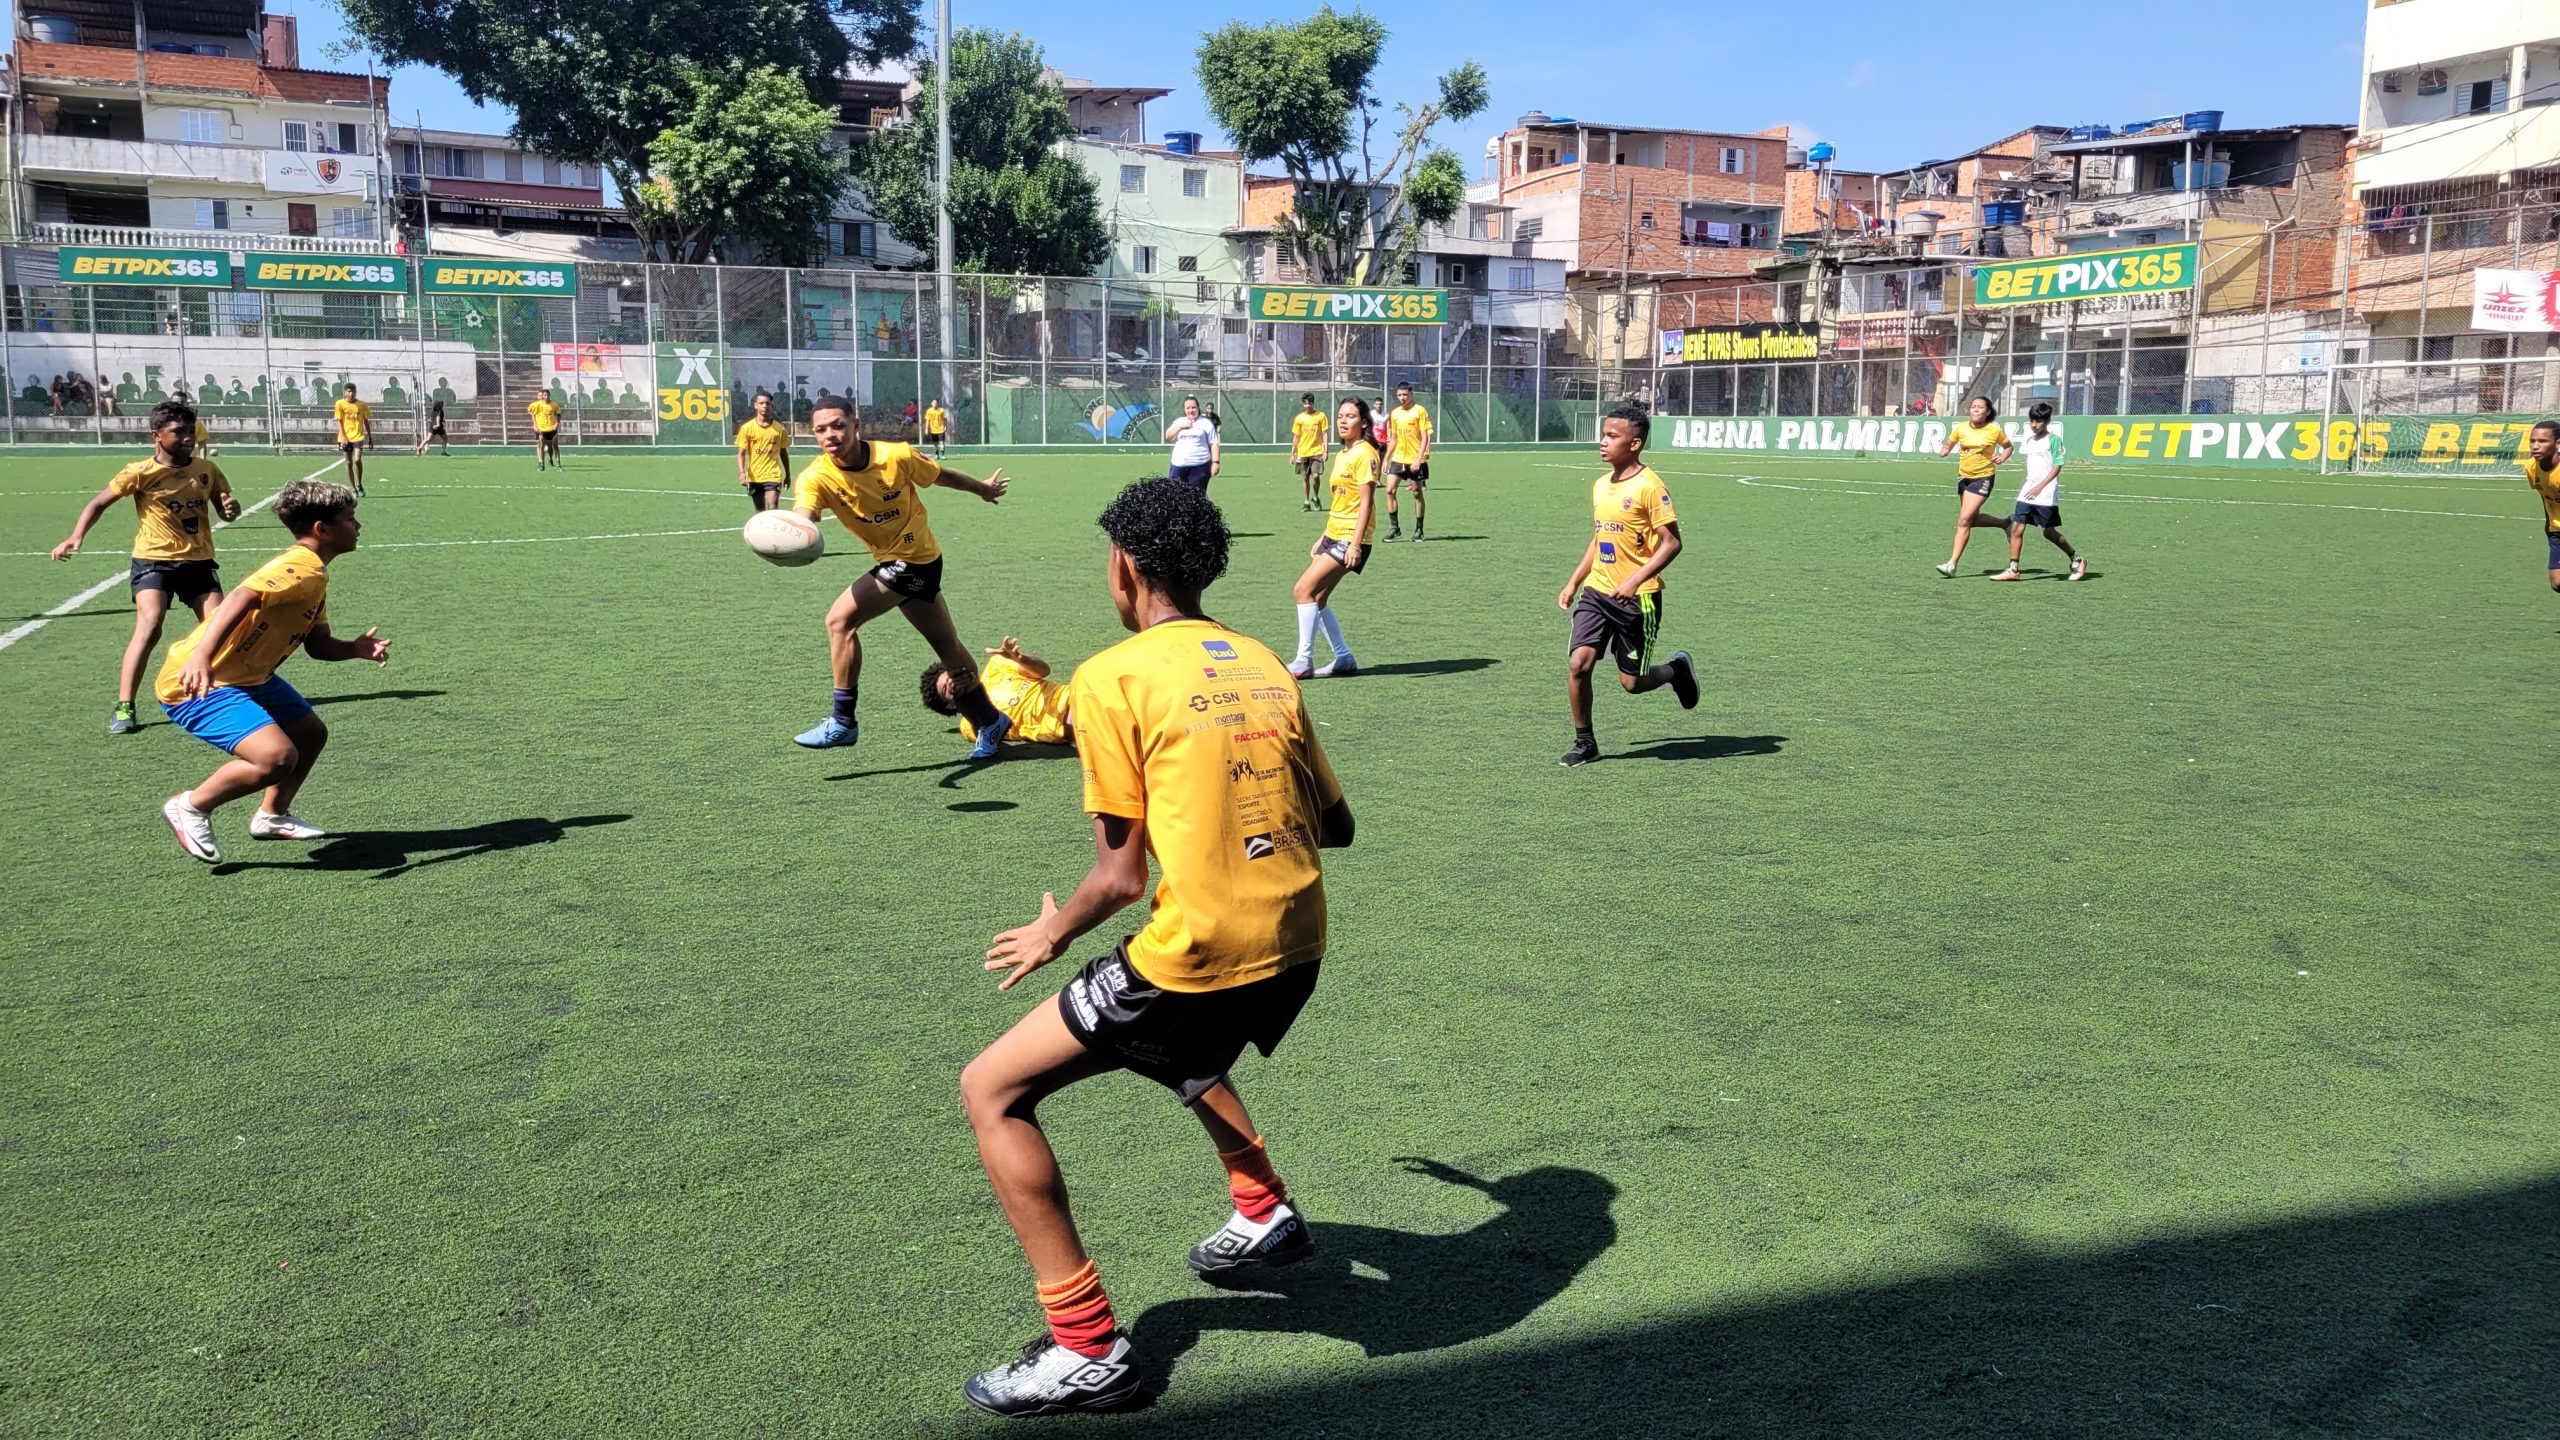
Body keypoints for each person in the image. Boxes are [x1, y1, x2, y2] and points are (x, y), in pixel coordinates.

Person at [959, 478, 1353, 1417]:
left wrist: (1052, 930)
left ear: (1125, 567)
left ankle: (1085, 1348)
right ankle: (1263, 1211)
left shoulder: (1114, 676)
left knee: (993, 1089)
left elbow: (1119, 879)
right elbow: (1336, 828)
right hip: (1299, 938)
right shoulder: (1262, 662)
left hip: (1204, 949)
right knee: (1178, 1040)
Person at [154, 480, 389, 864]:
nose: (357, 525)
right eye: (350, 518)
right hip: (198, 681)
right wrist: (200, 657)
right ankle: (191, 806)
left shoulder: (315, 575)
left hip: (247, 677)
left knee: (309, 735)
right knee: (276, 758)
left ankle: (271, 815)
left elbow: (317, 645)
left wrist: (354, 649)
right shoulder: (301, 568)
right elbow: (241, 597)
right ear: (322, 530)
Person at [787, 394, 1017, 760]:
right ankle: (990, 721)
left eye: (838, 425)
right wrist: (790, 530)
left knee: (839, 621)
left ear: (855, 425)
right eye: (820, 429)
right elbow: (805, 512)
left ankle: (843, 721)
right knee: (949, 650)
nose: (830, 434)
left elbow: (941, 476)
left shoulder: (896, 456)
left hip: (917, 559)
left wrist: (982, 489)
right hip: (896, 561)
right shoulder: (816, 476)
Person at [49, 398, 241, 736]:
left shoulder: (207, 471)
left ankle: (226, 692)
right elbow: (98, 503)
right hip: (154, 560)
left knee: (219, 628)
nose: (188, 439)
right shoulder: (139, 472)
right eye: (178, 432)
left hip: (198, 561)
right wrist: (75, 536)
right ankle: (125, 705)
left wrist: (230, 509)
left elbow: (226, 511)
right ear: (157, 435)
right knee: (150, 624)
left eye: (190, 432)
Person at [1557, 403, 1699, 767]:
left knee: (1632, 684)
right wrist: (1574, 580)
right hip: (1598, 591)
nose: (1602, 442)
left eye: (1611, 436)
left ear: (1634, 444)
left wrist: (1636, 580)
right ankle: (1585, 742)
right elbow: (1600, 537)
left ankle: (1675, 671)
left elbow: (1672, 543)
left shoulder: (1650, 487)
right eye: (1603, 434)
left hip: (1639, 601)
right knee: (1579, 665)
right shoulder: (1601, 485)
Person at [1288, 398, 1380, 679]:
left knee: (1302, 590)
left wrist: (1355, 543)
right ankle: (1344, 658)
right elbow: (1341, 503)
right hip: (1335, 534)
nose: (1343, 421)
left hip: (1351, 539)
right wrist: (1323, 536)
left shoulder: (1365, 453)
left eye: (1350, 416)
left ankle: (1303, 661)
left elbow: (1366, 503)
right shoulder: (1342, 455)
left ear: (1363, 422)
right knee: (1319, 598)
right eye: (1340, 415)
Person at [1991, 402, 2088, 582]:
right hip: (2027, 493)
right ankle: (2013, 569)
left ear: (2047, 421)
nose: (2034, 425)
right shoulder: (2029, 441)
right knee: (2016, 529)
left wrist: (2040, 486)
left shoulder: (2054, 440)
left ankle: (2077, 558)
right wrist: (2030, 486)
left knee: (2048, 532)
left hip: (2045, 495)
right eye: (2032, 421)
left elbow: (2058, 466)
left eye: (2039, 421)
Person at [920, 636, 1073, 749]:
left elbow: (1043, 671)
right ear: (951, 705)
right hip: (1067, 724)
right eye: (947, 688)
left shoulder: (997, 666)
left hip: (1073, 694)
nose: (953, 681)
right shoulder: (968, 724)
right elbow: (983, 732)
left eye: (951, 676)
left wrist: (1021, 658)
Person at [1934, 396, 2013, 577]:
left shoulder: (1994, 430)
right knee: (1973, 520)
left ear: (1987, 411)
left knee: (1963, 521)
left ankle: (1952, 564)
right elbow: (1950, 442)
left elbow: (2008, 447)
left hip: (1983, 477)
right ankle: (2005, 523)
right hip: (1964, 478)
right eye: (1973, 407)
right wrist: (1945, 449)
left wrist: (2001, 458)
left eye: (1980, 407)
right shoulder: (1961, 428)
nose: (1975, 410)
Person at [1382, 381, 1433, 542]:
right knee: (1389, 490)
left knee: (1417, 493)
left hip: (1415, 460)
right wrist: (1385, 460)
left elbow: (1425, 437)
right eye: (1399, 395)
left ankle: (1419, 529)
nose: (1402, 398)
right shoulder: (1395, 413)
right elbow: (1394, 438)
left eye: (1405, 394)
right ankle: (1394, 528)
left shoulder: (1419, 411)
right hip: (1398, 459)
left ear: (1411, 395)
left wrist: (1419, 458)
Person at [735, 392, 792, 512]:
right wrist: (741, 472)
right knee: (760, 511)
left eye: (768, 403)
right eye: (761, 403)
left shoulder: (780, 429)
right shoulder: (747, 428)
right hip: (754, 475)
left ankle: (774, 531)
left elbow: (783, 453)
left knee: (772, 507)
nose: (765, 406)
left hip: (773, 474)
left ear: (771, 406)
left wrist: (788, 475)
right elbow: (741, 453)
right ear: (755, 405)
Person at [2526, 419, 2560, 592]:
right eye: (2533, 441)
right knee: (2557, 583)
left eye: (2543, 441)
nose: (2535, 446)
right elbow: (2545, 495)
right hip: (2556, 530)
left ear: (2557, 443)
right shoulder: (2531, 468)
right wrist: (2548, 523)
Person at [1163, 395, 1219, 491]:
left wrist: (1215, 462)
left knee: (1196, 499)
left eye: (1193, 407)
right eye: (1187, 408)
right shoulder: (1179, 421)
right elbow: (1168, 436)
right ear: (1184, 410)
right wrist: (1181, 426)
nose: (1191, 410)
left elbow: (1214, 444)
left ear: (1198, 408)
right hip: (1178, 466)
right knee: (1175, 496)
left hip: (1199, 467)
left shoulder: (1206, 423)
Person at [1288, 393, 1328, 511]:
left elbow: (1325, 433)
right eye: (1305, 403)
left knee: (1315, 476)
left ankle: (1315, 497)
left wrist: (1326, 450)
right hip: (1303, 452)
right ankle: (1306, 502)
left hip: (1317, 451)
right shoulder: (1299, 418)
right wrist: (1292, 453)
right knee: (1305, 477)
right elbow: (1296, 436)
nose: (1307, 406)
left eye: (1309, 403)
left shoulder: (1321, 416)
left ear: (1313, 403)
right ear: (1303, 404)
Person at [332, 382, 372, 497]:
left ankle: (360, 485)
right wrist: (344, 438)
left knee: (357, 460)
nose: (351, 394)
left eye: (353, 391)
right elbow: (339, 422)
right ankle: (353, 488)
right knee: (348, 462)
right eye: (348, 391)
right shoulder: (339, 404)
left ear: (356, 392)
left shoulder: (362, 405)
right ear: (345, 392)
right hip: (345, 438)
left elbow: (366, 420)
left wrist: (370, 436)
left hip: (358, 436)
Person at [528, 389, 564, 471]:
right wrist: (535, 425)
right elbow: (532, 413)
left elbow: (558, 415)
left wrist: (557, 424)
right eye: (545, 395)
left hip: (552, 429)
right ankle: (542, 464)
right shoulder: (536, 405)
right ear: (542, 396)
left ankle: (558, 465)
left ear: (550, 395)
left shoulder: (554, 405)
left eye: (548, 395)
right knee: (541, 446)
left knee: (555, 446)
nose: (546, 397)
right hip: (542, 430)